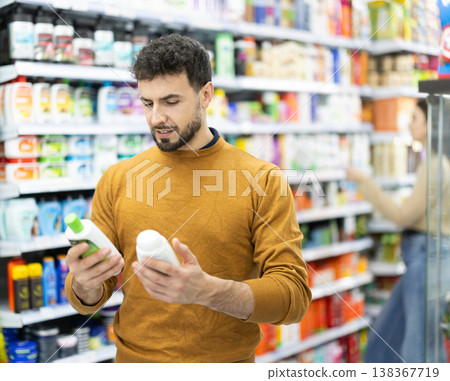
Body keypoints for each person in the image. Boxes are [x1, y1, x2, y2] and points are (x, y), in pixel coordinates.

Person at [64, 34, 311, 363]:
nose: (156, 118)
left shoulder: (262, 180)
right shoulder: (118, 178)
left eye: (170, 101)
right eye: (148, 103)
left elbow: (292, 297)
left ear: (205, 94)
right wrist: (85, 282)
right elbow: (92, 294)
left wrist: (208, 291)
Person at [346, 100, 450, 362]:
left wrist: (364, 183)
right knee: (384, 338)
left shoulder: (435, 165)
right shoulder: (434, 160)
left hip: (428, 259)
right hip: (423, 258)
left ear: (431, 125)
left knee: (420, 347)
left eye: (415, 118)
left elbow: (402, 217)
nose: (409, 124)